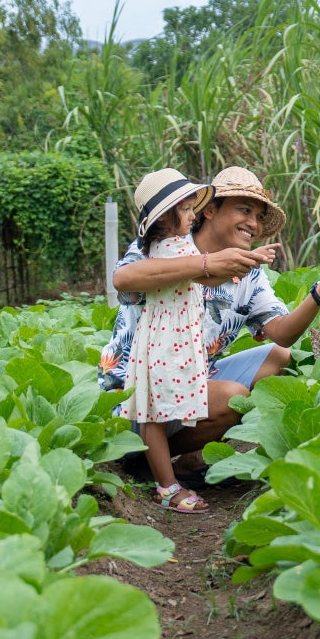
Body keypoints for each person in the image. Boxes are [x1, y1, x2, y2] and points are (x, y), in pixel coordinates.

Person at [100, 166, 320, 464]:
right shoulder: (168, 242)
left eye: (258, 217)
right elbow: (123, 278)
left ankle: (189, 454)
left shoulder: (249, 274)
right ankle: (148, 462)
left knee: (278, 355)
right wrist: (207, 264)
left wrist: (319, 294)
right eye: (244, 210)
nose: (253, 224)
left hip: (191, 381)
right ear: (209, 211)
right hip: (135, 395)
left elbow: (282, 332)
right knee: (233, 396)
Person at [119, 169, 216, 513]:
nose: (193, 215)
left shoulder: (181, 245)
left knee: (158, 412)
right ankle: (166, 486)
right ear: (166, 215)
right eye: (187, 209)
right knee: (154, 415)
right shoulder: (167, 249)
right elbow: (200, 269)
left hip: (173, 339)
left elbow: (202, 270)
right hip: (163, 340)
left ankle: (169, 478)